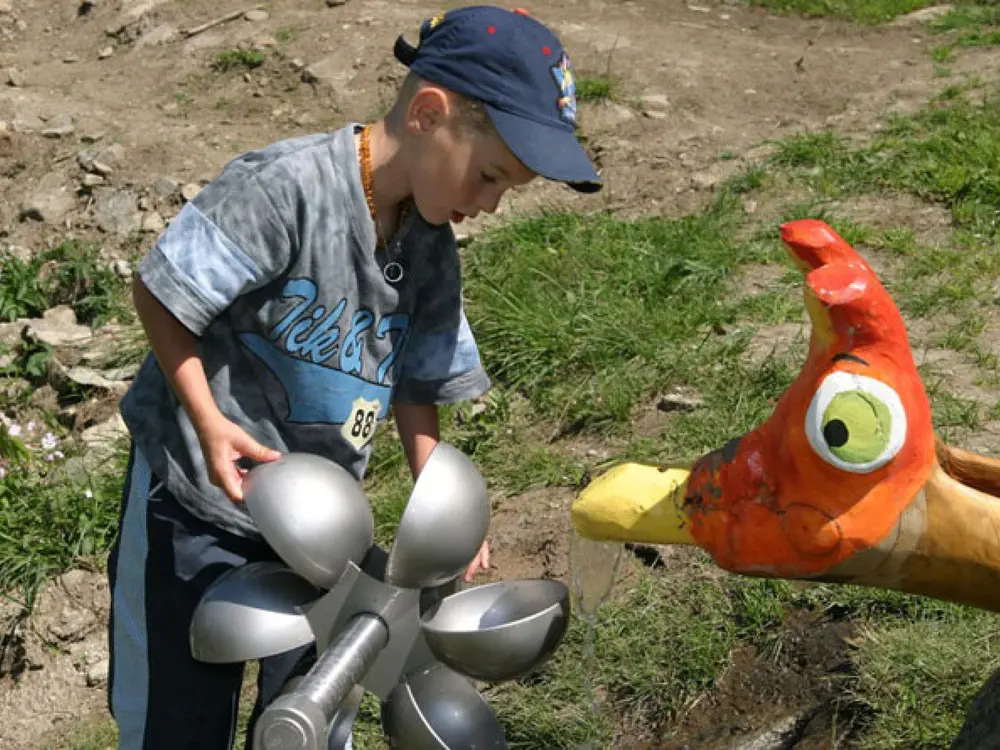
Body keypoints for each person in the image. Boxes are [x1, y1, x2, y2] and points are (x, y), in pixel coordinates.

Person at [106, 4, 601, 749]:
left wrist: (442, 500)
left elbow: (418, 379)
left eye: (507, 189)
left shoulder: (430, 244)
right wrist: (209, 421)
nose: (490, 204)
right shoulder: (285, 190)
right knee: (177, 721)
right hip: (197, 502)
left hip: (316, 531)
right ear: (431, 113)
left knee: (312, 709)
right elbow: (162, 290)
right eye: (491, 175)